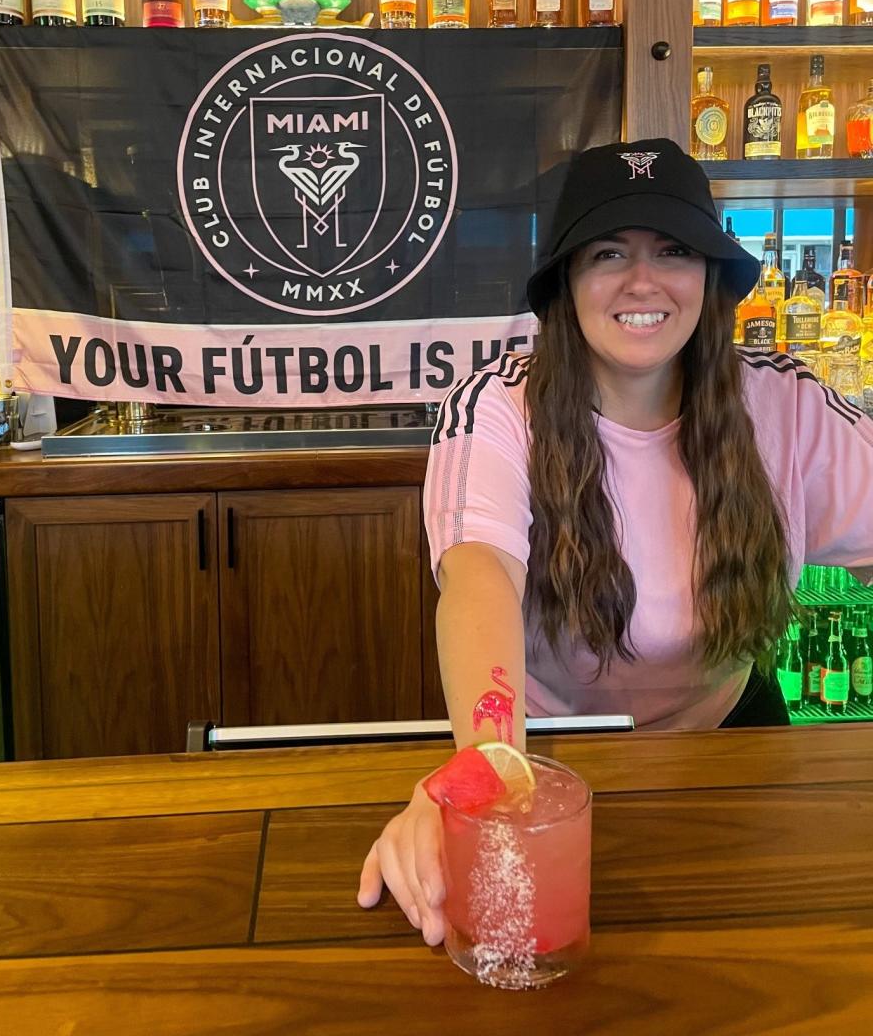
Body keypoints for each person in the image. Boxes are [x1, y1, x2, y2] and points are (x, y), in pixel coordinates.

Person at [357, 137, 873, 945]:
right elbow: (479, 574)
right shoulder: (497, 407)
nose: (643, 282)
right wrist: (489, 769)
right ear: (566, 281)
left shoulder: (785, 404)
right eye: (608, 253)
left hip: (732, 748)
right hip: (547, 754)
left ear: (711, 275)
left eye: (673, 250)